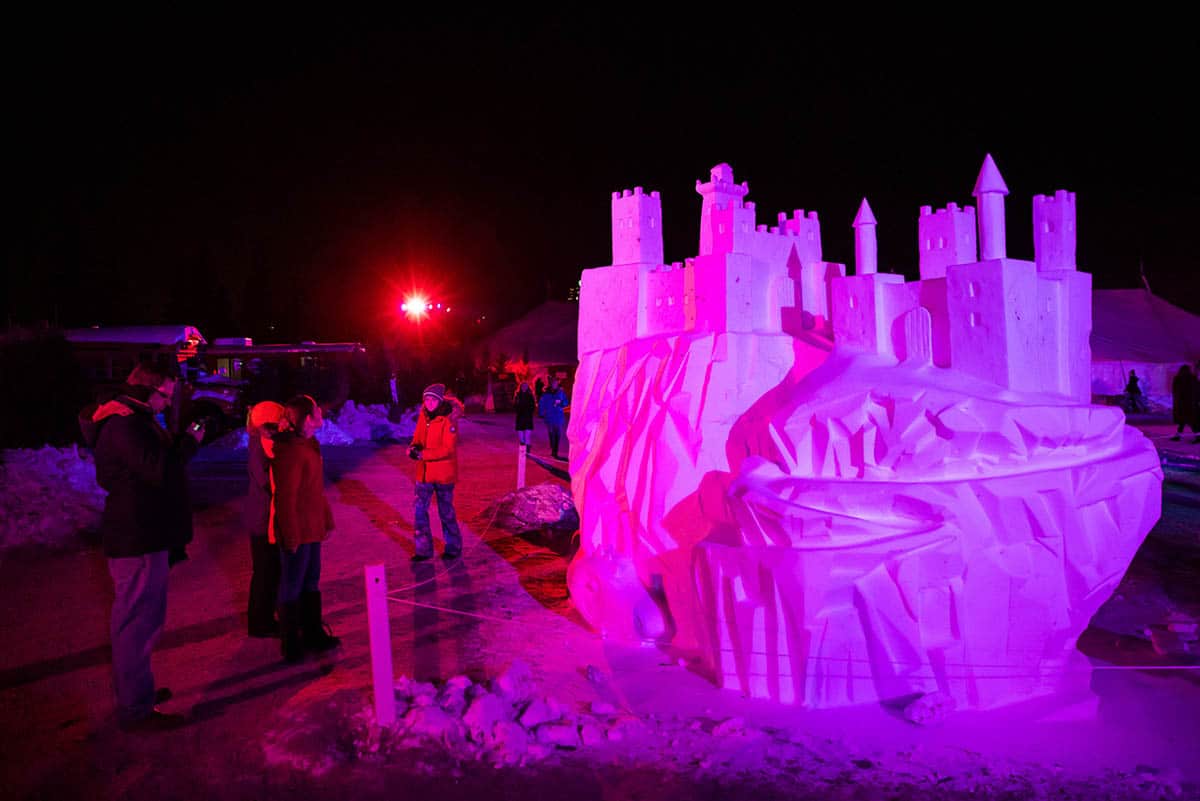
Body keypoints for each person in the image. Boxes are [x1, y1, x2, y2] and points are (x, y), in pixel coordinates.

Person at [78, 361, 203, 732]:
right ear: (152, 389)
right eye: (167, 394)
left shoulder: (134, 418)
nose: (169, 402)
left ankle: (138, 692)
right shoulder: (125, 424)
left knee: (142, 619)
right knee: (137, 622)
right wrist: (189, 445)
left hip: (145, 533)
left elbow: (155, 466)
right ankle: (135, 708)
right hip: (138, 537)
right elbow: (159, 470)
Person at [272, 395, 340, 662]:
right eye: (316, 412)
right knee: (292, 585)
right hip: (298, 531)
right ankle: (291, 643)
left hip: (312, 529)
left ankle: (312, 633)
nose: (321, 416)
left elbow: (315, 491)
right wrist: (290, 535)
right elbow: (285, 498)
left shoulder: (308, 445)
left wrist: (326, 519)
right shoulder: (290, 451)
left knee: (310, 583)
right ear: (307, 419)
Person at [409, 383, 465, 562]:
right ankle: (423, 550)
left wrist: (423, 454)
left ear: (440, 401)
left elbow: (447, 449)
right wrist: (414, 447)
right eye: (426, 399)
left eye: (433, 399)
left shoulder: (449, 420)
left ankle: (453, 546)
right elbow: (418, 437)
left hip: (443, 475)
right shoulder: (423, 415)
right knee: (419, 511)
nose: (429, 403)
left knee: (445, 511)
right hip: (424, 474)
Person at [245, 401, 285, 638]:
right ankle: (260, 622)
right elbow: (266, 482)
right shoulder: (260, 447)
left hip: (264, 517)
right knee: (265, 571)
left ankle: (263, 618)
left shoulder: (261, 443)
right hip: (263, 520)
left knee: (268, 571)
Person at [537, 376, 569, 460]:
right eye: (553, 383)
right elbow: (542, 403)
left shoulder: (561, 393)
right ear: (551, 384)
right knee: (551, 433)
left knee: (558, 434)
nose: (554, 384)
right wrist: (541, 413)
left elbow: (566, 402)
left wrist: (561, 403)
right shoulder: (546, 394)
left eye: (555, 383)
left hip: (558, 416)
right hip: (549, 416)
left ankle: (555, 451)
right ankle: (552, 448)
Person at [1171, 365, 1200, 443]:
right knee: (1190, 421)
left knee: (1186, 421)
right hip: (1191, 404)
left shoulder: (1178, 379)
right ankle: (1178, 435)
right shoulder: (1193, 379)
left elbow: (1175, 391)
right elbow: (1197, 391)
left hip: (1182, 404)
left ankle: (1197, 436)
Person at [514, 382, 535, 451]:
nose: (524, 387)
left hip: (528, 416)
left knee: (528, 432)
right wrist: (518, 409)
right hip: (520, 416)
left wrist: (530, 411)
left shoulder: (530, 395)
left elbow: (533, 405)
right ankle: (522, 444)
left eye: (526, 386)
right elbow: (515, 405)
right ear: (521, 387)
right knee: (520, 431)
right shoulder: (518, 395)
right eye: (523, 386)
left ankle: (527, 446)